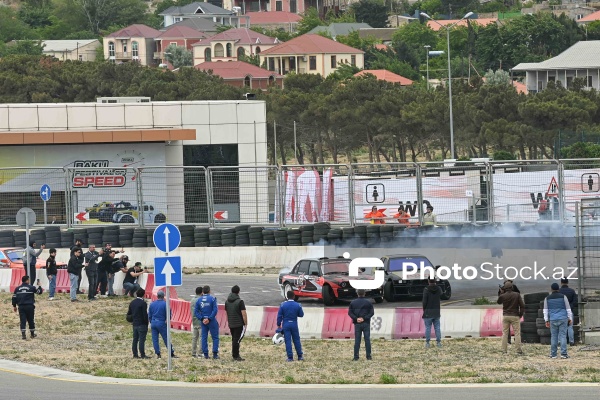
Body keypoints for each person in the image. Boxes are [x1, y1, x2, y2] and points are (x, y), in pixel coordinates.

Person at [544, 282, 573, 359]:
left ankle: (553, 354)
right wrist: (570, 318)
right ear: (558, 289)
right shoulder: (563, 297)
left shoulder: (547, 298)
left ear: (551, 289)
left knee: (554, 336)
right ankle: (563, 354)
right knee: (563, 336)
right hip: (563, 318)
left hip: (553, 319)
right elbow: (568, 308)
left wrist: (546, 320)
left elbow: (545, 310)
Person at [497, 281, 524, 355]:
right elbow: (522, 306)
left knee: (505, 333)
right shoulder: (517, 295)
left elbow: (499, 302)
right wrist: (520, 314)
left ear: (505, 288)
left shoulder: (503, 296)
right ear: (512, 287)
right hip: (515, 315)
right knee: (517, 333)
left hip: (506, 316)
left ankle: (504, 351)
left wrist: (501, 293)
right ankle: (518, 350)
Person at [277, 290, 305, 362]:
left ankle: (290, 357)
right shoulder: (298, 305)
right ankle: (300, 356)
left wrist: (278, 324)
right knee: (296, 340)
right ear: (294, 296)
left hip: (286, 324)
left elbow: (279, 316)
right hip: (294, 323)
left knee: (288, 341)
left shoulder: (283, 305)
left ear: (287, 296)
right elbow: (301, 315)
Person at [12, 275, 43, 340]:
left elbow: (14, 298)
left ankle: (23, 334)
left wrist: (14, 306)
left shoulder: (17, 289)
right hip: (30, 306)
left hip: (21, 306)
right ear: (27, 280)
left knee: (22, 320)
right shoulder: (31, 287)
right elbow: (39, 292)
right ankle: (32, 334)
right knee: (30, 320)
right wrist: (39, 286)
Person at [148, 290, 176, 359]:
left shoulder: (152, 304)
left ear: (157, 296)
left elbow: (149, 314)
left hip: (154, 322)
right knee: (166, 338)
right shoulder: (165, 304)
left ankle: (158, 353)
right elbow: (169, 315)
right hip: (161, 322)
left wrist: (151, 321)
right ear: (163, 296)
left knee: (155, 339)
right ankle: (171, 352)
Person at [348, 288, 374, 360]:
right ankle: (368, 356)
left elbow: (350, 313)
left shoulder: (353, 302)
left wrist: (356, 318)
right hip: (366, 323)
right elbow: (371, 313)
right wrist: (364, 318)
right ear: (364, 293)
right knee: (367, 340)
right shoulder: (368, 302)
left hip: (357, 324)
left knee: (357, 340)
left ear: (357, 293)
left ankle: (356, 357)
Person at [195, 285, 219, 359]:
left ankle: (206, 354)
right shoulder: (212, 299)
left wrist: (202, 319)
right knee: (215, 337)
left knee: (204, 337)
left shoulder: (199, 300)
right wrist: (209, 318)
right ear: (209, 291)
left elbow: (196, 312)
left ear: (202, 292)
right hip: (211, 320)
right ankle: (215, 354)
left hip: (203, 321)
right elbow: (215, 310)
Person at [225, 285, 248, 361]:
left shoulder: (227, 301)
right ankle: (236, 355)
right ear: (238, 292)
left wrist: (228, 321)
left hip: (231, 323)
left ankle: (234, 354)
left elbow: (226, 313)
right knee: (237, 340)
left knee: (234, 339)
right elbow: (243, 314)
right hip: (239, 324)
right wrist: (245, 323)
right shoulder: (240, 302)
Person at [128, 288, 150, 359]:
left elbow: (129, 313)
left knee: (135, 339)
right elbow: (144, 315)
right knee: (141, 340)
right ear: (143, 294)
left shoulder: (132, 302)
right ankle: (142, 354)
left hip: (135, 323)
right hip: (142, 324)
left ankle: (135, 354)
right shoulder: (143, 303)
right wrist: (147, 323)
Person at [422, 278, 442, 348]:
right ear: (435, 281)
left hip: (428, 311)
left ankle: (427, 343)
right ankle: (439, 342)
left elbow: (424, 301)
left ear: (428, 281)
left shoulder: (426, 289)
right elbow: (441, 294)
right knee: (437, 327)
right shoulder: (439, 288)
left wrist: (424, 309)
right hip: (436, 311)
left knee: (428, 328)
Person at [500, 279, 520, 344]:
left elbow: (499, 300)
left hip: (507, 312)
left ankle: (508, 343)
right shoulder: (504, 289)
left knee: (506, 331)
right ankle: (511, 342)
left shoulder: (514, 288)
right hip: (513, 312)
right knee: (516, 331)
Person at [559, 277, 578, 346]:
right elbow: (575, 302)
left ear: (561, 283)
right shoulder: (572, 291)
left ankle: (560, 342)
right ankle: (571, 342)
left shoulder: (558, 291)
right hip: (569, 311)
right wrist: (570, 307)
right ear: (567, 282)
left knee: (560, 327)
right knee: (570, 326)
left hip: (560, 311)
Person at [190, 286, 203, 357]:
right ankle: (200, 352)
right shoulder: (200, 300)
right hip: (200, 320)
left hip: (194, 320)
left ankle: (193, 352)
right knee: (201, 337)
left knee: (194, 338)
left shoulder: (192, 300)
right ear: (201, 292)